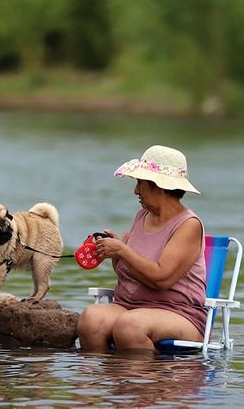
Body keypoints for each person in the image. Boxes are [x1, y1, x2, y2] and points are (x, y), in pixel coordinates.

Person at [77, 145, 206, 352]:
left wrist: (123, 251)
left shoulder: (189, 225)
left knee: (129, 326)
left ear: (160, 186)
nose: (136, 190)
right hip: (130, 307)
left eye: (140, 183)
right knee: (90, 320)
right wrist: (116, 253)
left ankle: (143, 374)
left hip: (178, 313)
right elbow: (129, 273)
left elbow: (161, 279)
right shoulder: (142, 215)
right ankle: (104, 373)